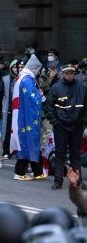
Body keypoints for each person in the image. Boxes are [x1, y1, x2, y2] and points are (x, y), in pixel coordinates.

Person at [45, 61, 87, 190]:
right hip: (61, 126)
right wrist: (55, 122)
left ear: (74, 74)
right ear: (63, 74)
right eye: (67, 73)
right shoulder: (56, 88)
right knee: (60, 154)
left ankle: (78, 181)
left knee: (75, 155)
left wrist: (83, 122)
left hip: (77, 126)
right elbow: (48, 107)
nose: (69, 75)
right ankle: (58, 181)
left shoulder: (82, 87)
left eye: (71, 73)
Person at [11, 55, 45, 181]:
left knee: (28, 142)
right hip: (27, 117)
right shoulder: (28, 80)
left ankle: (37, 172)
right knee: (28, 142)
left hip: (23, 115)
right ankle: (20, 172)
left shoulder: (22, 78)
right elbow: (33, 98)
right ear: (35, 68)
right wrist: (40, 96)